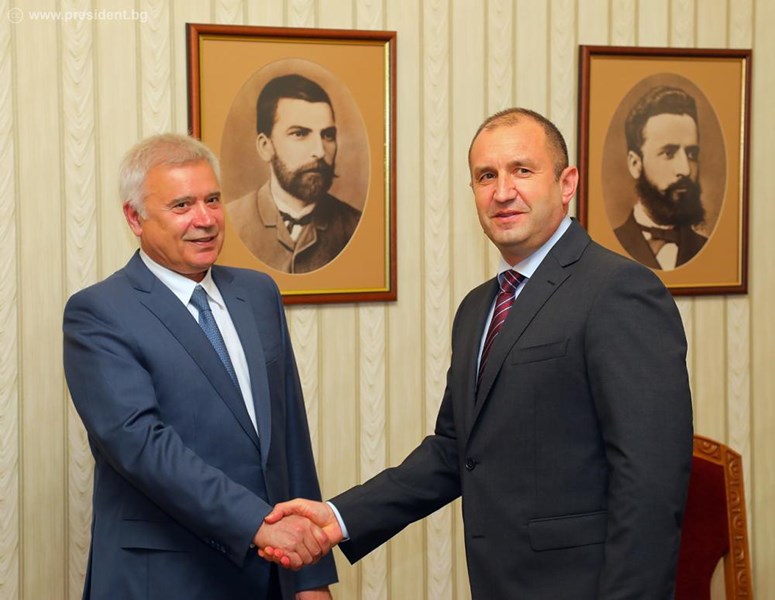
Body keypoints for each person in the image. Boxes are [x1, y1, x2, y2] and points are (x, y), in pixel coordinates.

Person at [260, 108, 694, 599]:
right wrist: (338, 518)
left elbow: (650, 484)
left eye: (522, 170)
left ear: (567, 183)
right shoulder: (478, 309)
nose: (502, 191)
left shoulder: (619, 291)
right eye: (487, 176)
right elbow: (455, 451)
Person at [63, 133, 337, 600]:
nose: (206, 219)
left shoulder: (258, 294)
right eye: (182, 205)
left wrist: (311, 576)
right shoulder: (100, 313)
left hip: (270, 574)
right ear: (135, 217)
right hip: (162, 578)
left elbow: (290, 440)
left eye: (212, 200)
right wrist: (258, 524)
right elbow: (143, 447)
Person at [228, 73, 362, 274]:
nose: (319, 151)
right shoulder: (230, 222)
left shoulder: (355, 226)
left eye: (327, 135)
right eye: (300, 134)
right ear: (265, 147)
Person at [614, 85, 708, 269]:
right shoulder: (607, 247)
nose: (685, 170)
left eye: (691, 154)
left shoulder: (705, 249)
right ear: (635, 164)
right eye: (669, 153)